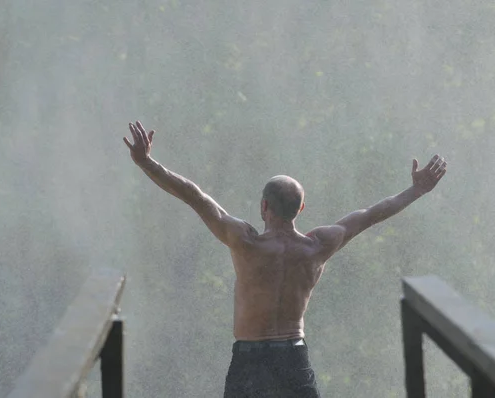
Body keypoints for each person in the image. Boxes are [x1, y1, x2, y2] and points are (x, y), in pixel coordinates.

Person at [123, 121, 447, 397]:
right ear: (301, 209)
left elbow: (194, 196)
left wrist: (146, 163)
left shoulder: (245, 242)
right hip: (294, 357)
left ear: (264, 206)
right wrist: (415, 190)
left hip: (249, 360)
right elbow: (371, 215)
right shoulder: (317, 246)